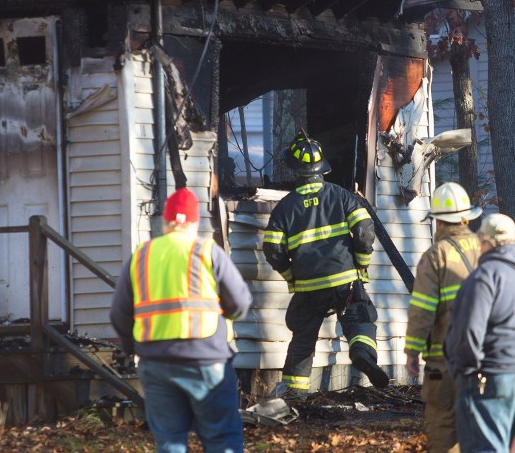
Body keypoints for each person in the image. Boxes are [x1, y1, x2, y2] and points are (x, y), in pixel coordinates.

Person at [110, 187, 252, 453]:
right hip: (206, 362)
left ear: (165, 222)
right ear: (195, 223)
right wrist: (227, 315)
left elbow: (119, 313)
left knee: (170, 442)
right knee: (222, 440)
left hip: (155, 363)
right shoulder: (206, 251)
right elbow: (240, 303)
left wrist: (131, 348)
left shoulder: (140, 255)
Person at [262, 129, 388, 398]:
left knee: (303, 338)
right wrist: (361, 263)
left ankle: (295, 393)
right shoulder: (341, 196)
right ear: (322, 169)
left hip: (308, 286)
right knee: (359, 319)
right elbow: (365, 232)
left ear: (295, 170)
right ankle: (362, 353)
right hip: (345, 279)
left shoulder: (285, 207)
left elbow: (272, 250)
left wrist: (290, 276)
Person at [404, 182, 482, 453]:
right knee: (482, 426)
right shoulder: (488, 249)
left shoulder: (435, 256)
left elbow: (422, 310)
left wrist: (412, 352)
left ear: (437, 221)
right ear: (466, 217)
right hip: (487, 359)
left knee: (443, 425)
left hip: (445, 361)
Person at [445, 213, 515, 453]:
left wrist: (463, 372)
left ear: (484, 242)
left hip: (489, 377)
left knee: (484, 447)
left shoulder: (484, 278)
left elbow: (468, 333)